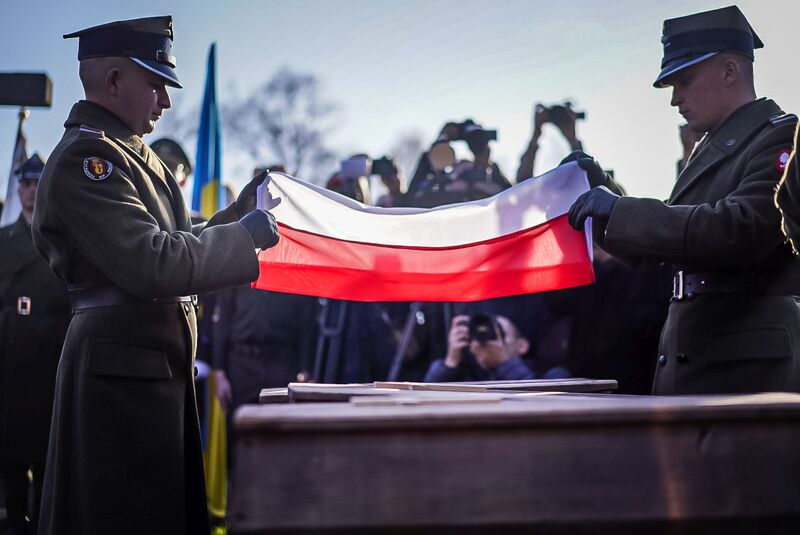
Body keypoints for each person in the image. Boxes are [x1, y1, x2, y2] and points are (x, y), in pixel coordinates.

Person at [30, 16, 279, 535]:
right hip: (117, 379)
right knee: (121, 514)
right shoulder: (88, 158)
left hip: (145, 372)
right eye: (156, 83)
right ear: (114, 80)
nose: (164, 101)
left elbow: (177, 237)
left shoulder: (129, 156)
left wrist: (236, 213)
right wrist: (246, 236)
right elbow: (153, 264)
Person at [567, 5, 800, 395]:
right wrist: (606, 196)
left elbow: (740, 229)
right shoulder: (716, 146)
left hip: (746, 370)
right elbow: (671, 239)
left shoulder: (780, 137)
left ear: (729, 71)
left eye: (684, 82)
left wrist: (621, 211)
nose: (675, 99)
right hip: (705, 359)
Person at [0, 155, 70, 535]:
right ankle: (13, 523)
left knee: (47, 450)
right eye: (26, 185)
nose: (30, 192)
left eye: (37, 184)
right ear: (18, 189)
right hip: (11, 355)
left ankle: (44, 521)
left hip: (50, 354)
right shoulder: (3, 240)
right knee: (11, 451)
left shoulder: (60, 237)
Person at [424, 314, 570, 382]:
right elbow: (426, 398)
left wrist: (503, 362)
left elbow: (543, 402)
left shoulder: (554, 376)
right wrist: (451, 361)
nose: (489, 341)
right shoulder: (468, 380)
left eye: (499, 334)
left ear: (522, 345)